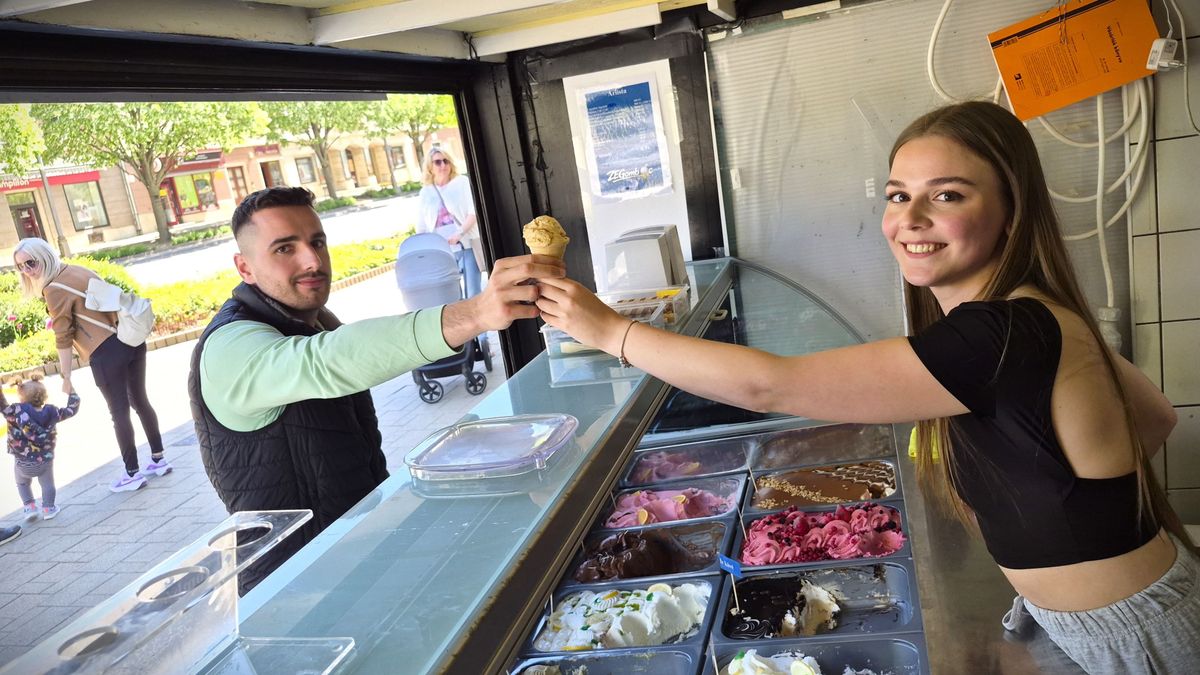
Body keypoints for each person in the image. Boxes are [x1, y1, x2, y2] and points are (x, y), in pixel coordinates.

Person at [536, 101, 1199, 673]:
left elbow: (769, 386)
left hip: (1131, 632)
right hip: (1095, 614)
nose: (910, 218)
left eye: (948, 195)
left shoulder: (999, 334)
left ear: (1010, 210)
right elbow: (1156, 416)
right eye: (897, 194)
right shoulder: (1033, 308)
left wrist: (611, 331)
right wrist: (1065, 499)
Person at [188, 186, 562, 594]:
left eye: (317, 242)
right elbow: (329, 361)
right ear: (244, 267)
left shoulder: (314, 320)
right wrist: (474, 313)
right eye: (284, 248)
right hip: (296, 592)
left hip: (360, 558)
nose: (312, 260)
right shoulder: (229, 347)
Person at [14, 238, 170, 493]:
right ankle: (159, 459)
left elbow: (63, 336)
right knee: (140, 400)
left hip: (105, 353)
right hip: (129, 340)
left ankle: (132, 474)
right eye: (21, 267)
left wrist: (66, 376)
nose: (27, 270)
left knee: (119, 412)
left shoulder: (53, 288)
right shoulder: (77, 270)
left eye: (31, 263)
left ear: (44, 256)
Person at [3, 373, 79, 521]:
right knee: (47, 484)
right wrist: (72, 392)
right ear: (44, 396)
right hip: (44, 461)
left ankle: (29, 507)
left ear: (21, 397)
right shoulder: (52, 412)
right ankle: (48, 508)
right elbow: (72, 410)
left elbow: (2, 406)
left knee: (22, 483)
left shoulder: (15, 412)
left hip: (22, 462)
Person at [417, 147, 484, 298]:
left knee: (473, 292)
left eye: (446, 161)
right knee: (452, 295)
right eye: (437, 162)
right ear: (430, 167)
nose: (443, 165)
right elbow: (421, 225)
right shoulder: (426, 192)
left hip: (466, 244)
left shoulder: (462, 182)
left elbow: (473, 212)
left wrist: (459, 234)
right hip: (441, 249)